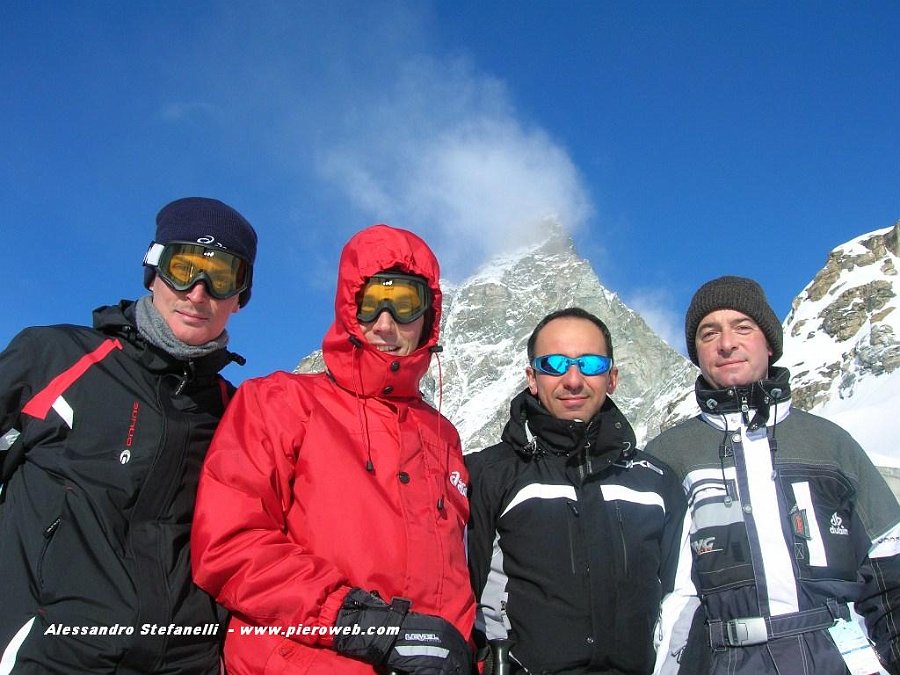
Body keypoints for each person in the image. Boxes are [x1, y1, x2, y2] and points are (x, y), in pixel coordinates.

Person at [190, 223, 474, 674]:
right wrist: (364, 623)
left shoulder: (442, 435)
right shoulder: (280, 401)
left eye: (404, 304)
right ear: (347, 308)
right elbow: (229, 544)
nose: (385, 323)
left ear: (429, 314)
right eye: (369, 303)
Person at [0, 197, 258, 673]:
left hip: (188, 662)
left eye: (221, 277)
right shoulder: (54, 357)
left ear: (240, 296)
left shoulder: (236, 412)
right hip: (51, 657)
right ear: (154, 270)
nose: (198, 292)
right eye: (184, 267)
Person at [649, 276, 900, 675]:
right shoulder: (667, 456)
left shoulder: (830, 443)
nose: (726, 343)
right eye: (708, 333)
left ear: (769, 343)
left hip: (834, 656)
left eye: (742, 327)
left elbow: (889, 573)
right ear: (697, 353)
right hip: (715, 660)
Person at [466, 307, 689, 674]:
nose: (573, 379)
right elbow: (459, 595)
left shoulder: (656, 482)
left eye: (590, 364)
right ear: (532, 378)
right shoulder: (489, 473)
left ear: (612, 377)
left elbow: (680, 600)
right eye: (554, 364)